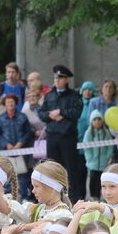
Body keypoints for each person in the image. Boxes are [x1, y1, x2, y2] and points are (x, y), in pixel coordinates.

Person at [39, 65, 84, 200]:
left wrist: (62, 112)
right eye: (56, 78)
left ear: (66, 80)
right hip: (52, 137)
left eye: (60, 78)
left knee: (70, 170)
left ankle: (73, 199)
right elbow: (41, 113)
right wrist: (50, 115)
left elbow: (77, 112)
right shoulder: (49, 95)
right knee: (52, 169)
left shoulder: (73, 95)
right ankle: (54, 198)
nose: (57, 80)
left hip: (67, 137)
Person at [0, 93, 32, 197]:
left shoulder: (23, 117)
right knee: (7, 175)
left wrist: (21, 142)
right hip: (6, 152)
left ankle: (24, 197)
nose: (10, 104)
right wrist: (6, 144)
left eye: (12, 102)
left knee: (22, 176)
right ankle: (8, 198)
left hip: (21, 151)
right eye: (8, 102)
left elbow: (28, 132)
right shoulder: (0, 118)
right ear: (5, 104)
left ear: (15, 104)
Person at [83, 110, 114, 200]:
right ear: (91, 121)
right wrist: (89, 158)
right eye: (95, 119)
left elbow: (110, 145)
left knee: (101, 180)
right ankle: (93, 196)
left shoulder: (106, 132)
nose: (97, 121)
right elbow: (86, 147)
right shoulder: (88, 133)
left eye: (99, 119)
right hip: (93, 162)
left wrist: (108, 156)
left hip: (103, 162)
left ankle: (100, 196)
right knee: (92, 179)